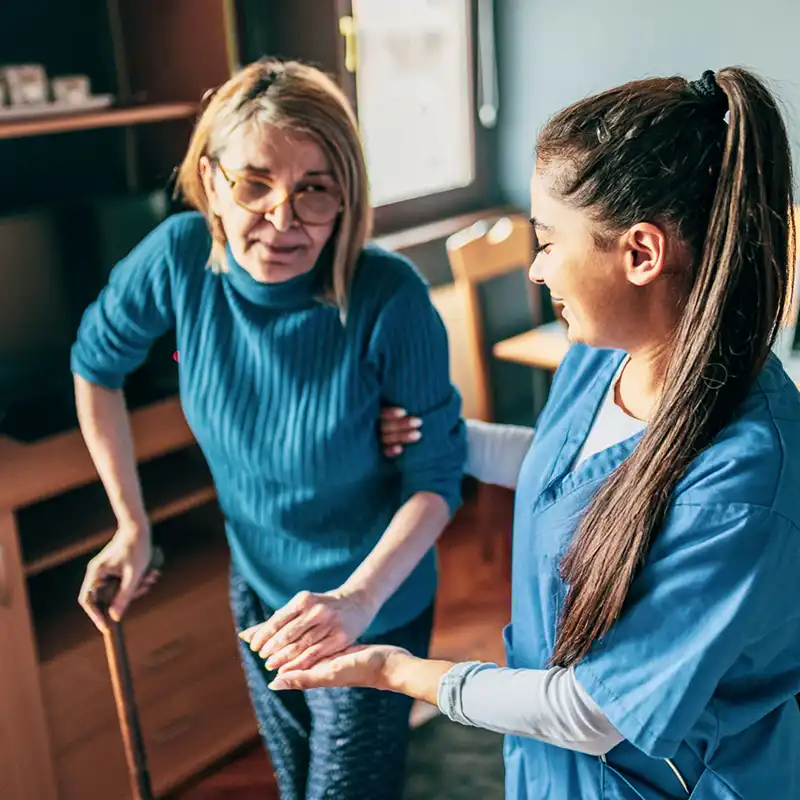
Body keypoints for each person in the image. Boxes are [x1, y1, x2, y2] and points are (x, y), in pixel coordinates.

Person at [265, 67, 800, 798]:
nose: (539, 269)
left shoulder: (745, 480)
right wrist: (440, 436)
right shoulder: (601, 352)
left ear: (641, 253)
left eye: (548, 241)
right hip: (553, 756)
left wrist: (397, 672)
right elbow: (573, 474)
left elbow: (594, 710)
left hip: (659, 776)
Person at [72, 58, 466, 800]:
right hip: (259, 586)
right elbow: (96, 366)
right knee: (296, 785)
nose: (282, 221)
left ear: (345, 198)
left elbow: (437, 481)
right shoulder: (181, 259)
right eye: (255, 183)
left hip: (374, 597)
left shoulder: (389, 297)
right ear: (212, 181)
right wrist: (132, 523)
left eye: (313, 189)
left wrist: (355, 600)